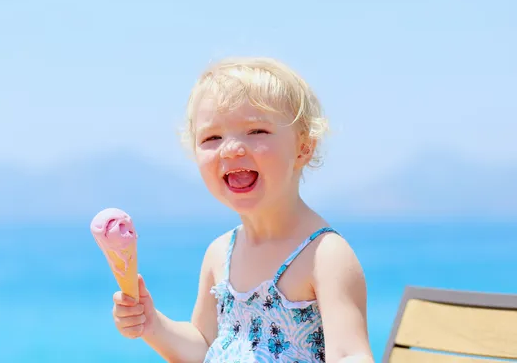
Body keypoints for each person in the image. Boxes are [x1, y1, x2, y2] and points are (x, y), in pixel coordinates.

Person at [112, 57, 374, 362]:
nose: (232, 148)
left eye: (256, 131)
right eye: (212, 137)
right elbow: (204, 346)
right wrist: (152, 324)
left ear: (304, 147)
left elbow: (349, 355)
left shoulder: (324, 256)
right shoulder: (220, 254)